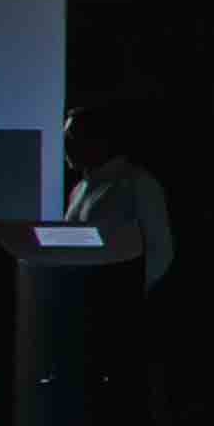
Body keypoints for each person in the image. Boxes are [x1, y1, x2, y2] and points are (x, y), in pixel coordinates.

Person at [59, 103, 173, 290]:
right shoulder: (79, 189)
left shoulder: (137, 183)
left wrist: (127, 295)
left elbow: (160, 250)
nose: (66, 145)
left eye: (72, 136)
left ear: (97, 139)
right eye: (65, 138)